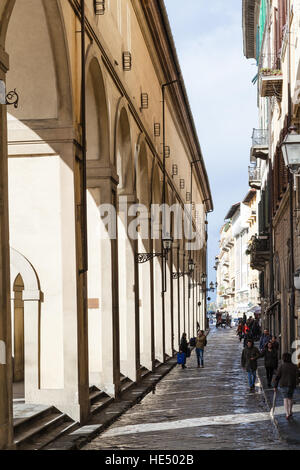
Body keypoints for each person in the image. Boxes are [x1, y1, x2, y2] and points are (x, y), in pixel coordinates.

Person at [274, 353, 299, 420]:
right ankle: (290, 411)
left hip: (283, 384)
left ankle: (287, 413)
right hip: (291, 384)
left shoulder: (281, 366)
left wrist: (275, 386)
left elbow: (277, 377)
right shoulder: (294, 366)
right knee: (290, 398)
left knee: (285, 398)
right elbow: (297, 375)